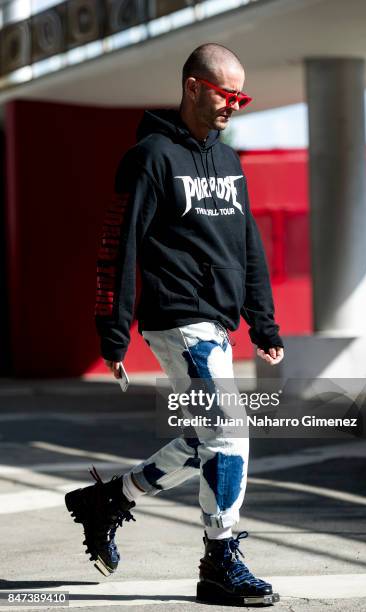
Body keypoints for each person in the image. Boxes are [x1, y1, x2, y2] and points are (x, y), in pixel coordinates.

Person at [65, 43, 284, 607]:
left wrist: (263, 322)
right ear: (193, 87)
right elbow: (119, 245)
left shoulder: (230, 162)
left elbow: (248, 245)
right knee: (231, 433)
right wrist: (112, 331)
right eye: (226, 93)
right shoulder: (150, 157)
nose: (234, 105)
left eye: (242, 96)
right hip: (177, 318)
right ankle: (221, 558)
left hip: (218, 322)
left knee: (207, 440)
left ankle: (110, 498)